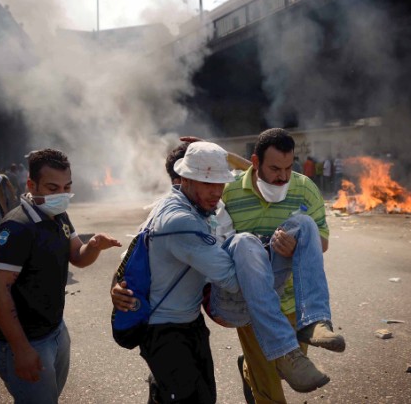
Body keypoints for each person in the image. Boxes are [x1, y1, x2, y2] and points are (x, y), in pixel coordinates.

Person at [111, 142, 342, 403]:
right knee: (244, 243)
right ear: (184, 180)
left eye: (220, 184)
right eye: (208, 184)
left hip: (191, 323)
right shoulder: (180, 220)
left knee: (303, 224)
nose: (217, 193)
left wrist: (117, 283)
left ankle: (315, 319)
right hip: (165, 329)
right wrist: (278, 256)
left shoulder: (196, 205)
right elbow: (235, 282)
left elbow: (133, 251)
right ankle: (285, 351)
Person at [0, 148, 121, 404]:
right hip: (24, 341)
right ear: (31, 184)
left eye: (66, 187)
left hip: (55, 330)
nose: (61, 195)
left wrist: (93, 245)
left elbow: (77, 258)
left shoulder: (59, 215)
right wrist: (21, 349)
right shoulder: (16, 228)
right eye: (52, 188)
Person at [222, 128, 337, 404]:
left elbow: (321, 242)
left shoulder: (305, 188)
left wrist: (297, 248)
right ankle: (256, 372)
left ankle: (249, 366)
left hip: (293, 304)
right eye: (274, 168)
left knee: (290, 369)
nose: (283, 176)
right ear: (255, 162)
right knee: (270, 390)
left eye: (288, 167)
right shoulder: (230, 194)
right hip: (253, 305)